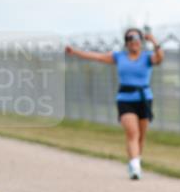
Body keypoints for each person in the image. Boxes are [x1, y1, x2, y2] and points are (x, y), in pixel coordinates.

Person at [65, 28, 164, 179]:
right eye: (130, 39)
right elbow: (96, 56)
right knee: (133, 133)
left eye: (137, 39)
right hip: (125, 99)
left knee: (141, 137)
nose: (134, 42)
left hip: (144, 99)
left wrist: (154, 42)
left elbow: (160, 58)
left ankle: (135, 160)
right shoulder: (119, 57)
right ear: (126, 43)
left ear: (141, 42)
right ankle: (135, 167)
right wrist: (75, 52)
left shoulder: (147, 57)